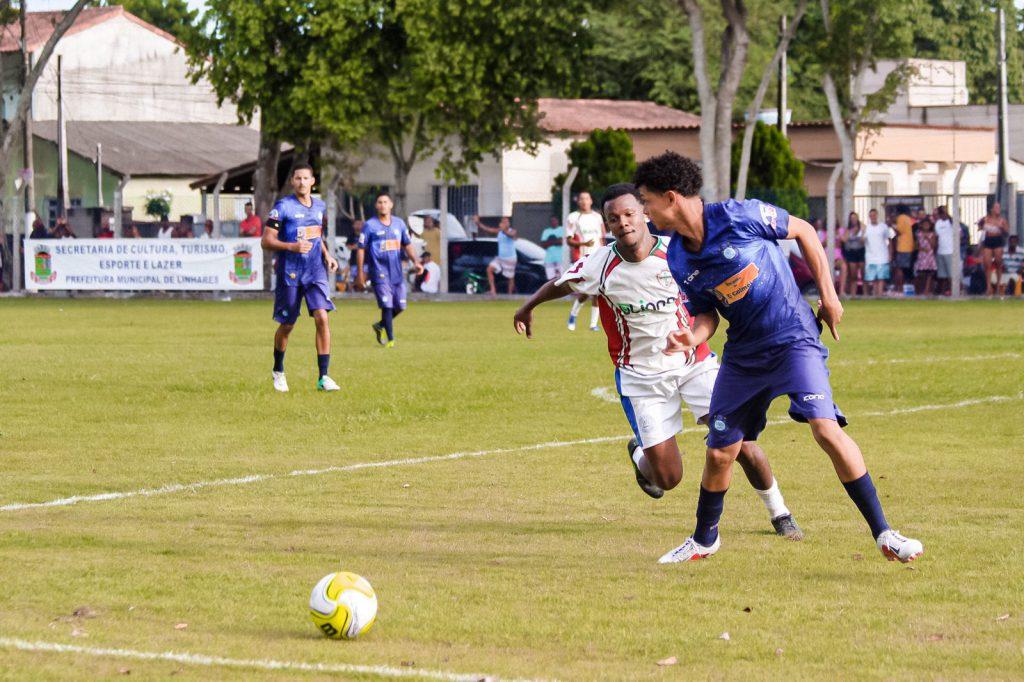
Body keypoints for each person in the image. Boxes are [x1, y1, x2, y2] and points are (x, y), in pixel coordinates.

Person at [633, 151, 922, 565]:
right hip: (744, 355)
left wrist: (829, 295)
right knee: (720, 451)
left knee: (825, 429)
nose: (644, 213)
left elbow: (803, 230)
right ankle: (703, 540)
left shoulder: (739, 215)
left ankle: (885, 534)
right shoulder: (677, 257)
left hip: (793, 339)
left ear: (672, 197)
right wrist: (689, 336)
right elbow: (706, 313)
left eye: (646, 202)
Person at [513, 183, 803, 551]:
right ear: (607, 224)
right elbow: (562, 282)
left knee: (739, 443)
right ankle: (640, 452)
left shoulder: (676, 255)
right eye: (614, 218)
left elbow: (706, 309)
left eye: (630, 214)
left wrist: (695, 337)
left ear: (645, 213)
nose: (623, 223)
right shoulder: (600, 265)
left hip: (694, 364)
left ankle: (780, 513)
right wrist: (528, 306)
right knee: (667, 478)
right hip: (641, 378)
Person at [261, 163, 341, 392]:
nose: (302, 182)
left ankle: (324, 377)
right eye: (298, 178)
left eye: (306, 178)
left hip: (316, 272)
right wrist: (291, 246)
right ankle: (278, 370)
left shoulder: (320, 206)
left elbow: (317, 235)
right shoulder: (283, 207)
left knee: (322, 318)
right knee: (287, 325)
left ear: (312, 181)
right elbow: (266, 241)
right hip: (291, 273)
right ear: (292, 181)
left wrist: (327, 255)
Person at [357, 193, 423, 347]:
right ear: (376, 206)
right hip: (378, 272)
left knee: (400, 306)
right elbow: (361, 249)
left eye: (385, 202)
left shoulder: (399, 224)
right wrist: (361, 273)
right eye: (379, 202)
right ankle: (391, 340)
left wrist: (416, 262)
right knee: (387, 305)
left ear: (391, 204)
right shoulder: (370, 225)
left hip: (397, 272)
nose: (382, 205)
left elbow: (407, 245)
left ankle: (380, 325)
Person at [565, 191, 606, 331]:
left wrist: (604, 253)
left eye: (586, 198)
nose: (584, 201)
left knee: (597, 291)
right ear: (578, 201)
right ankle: (573, 314)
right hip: (583, 259)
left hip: (598, 258)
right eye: (581, 198)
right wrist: (583, 245)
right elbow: (568, 240)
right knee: (586, 292)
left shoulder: (597, 217)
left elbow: (602, 238)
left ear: (591, 200)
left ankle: (593, 324)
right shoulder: (573, 217)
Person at [473, 215, 517, 297]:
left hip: (510, 258)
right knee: (489, 269)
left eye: (506, 222)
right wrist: (478, 222)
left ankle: (510, 295)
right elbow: (487, 229)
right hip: (500, 258)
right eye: (503, 222)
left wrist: (504, 230)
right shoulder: (499, 231)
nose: (505, 223)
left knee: (510, 277)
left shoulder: (512, 231)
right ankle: (493, 290)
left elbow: (510, 235)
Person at [978, 202, 1009, 296]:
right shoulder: (986, 219)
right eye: (996, 207)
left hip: (997, 240)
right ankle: (989, 287)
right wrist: (981, 224)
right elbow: (980, 228)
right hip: (988, 240)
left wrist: (1002, 227)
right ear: (992, 209)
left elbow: (1007, 231)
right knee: (988, 264)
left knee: (998, 263)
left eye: (998, 207)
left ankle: (999, 285)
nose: (997, 209)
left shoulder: (1002, 220)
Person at [863, 208, 893, 297]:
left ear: (877, 215)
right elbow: (862, 240)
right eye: (871, 215)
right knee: (873, 277)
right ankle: (875, 294)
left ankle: (880, 294)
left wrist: (890, 253)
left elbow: (889, 239)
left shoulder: (883, 227)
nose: (873, 217)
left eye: (874, 215)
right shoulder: (867, 228)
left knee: (881, 277)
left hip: (882, 255)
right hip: (870, 256)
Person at [840, 212, 865, 297]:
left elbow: (863, 239)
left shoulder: (862, 227)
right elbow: (843, 240)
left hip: (861, 251)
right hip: (851, 252)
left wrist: (860, 230)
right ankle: (853, 294)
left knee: (863, 273)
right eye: (852, 218)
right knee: (853, 275)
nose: (853, 220)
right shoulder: (848, 230)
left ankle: (866, 294)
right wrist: (852, 232)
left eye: (855, 218)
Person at [934, 206, 955, 296]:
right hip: (940, 251)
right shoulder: (938, 223)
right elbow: (937, 236)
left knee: (951, 273)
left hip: (950, 251)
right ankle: (942, 291)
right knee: (942, 274)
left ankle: (953, 290)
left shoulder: (951, 222)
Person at [913, 217, 938, 296]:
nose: (926, 226)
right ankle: (920, 289)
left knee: (929, 274)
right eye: (924, 224)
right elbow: (916, 246)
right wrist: (921, 248)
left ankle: (927, 290)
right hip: (922, 255)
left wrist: (928, 239)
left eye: (927, 224)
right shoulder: (919, 234)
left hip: (929, 255)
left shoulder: (932, 234)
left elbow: (934, 245)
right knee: (921, 273)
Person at [893, 206, 914, 294]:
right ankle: (903, 288)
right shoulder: (909, 219)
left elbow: (899, 231)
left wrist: (891, 225)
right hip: (909, 246)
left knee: (900, 268)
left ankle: (900, 288)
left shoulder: (901, 218)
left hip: (902, 246)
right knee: (905, 269)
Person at [540, 215, 565, 280]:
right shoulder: (546, 231)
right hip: (549, 259)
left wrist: (549, 241)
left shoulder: (562, 230)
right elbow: (543, 245)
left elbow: (561, 242)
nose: (553, 222)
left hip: (560, 258)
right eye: (551, 221)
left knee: (562, 278)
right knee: (551, 279)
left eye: (554, 220)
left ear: (558, 221)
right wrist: (556, 241)